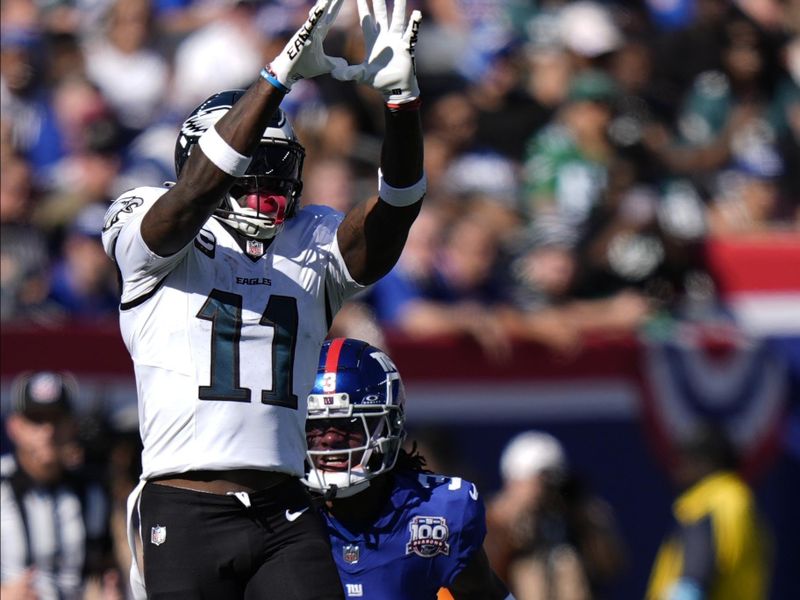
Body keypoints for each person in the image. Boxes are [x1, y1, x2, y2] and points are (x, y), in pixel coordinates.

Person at [99, 0, 426, 598]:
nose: (269, 186)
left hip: (284, 507)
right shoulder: (154, 224)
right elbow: (192, 194)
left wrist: (402, 110)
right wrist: (272, 83)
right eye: (255, 166)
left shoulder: (306, 242)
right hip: (186, 502)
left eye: (280, 169)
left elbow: (395, 215)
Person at [303, 337, 511, 600]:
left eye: (349, 423)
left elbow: (484, 593)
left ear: (388, 426)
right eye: (315, 426)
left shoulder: (435, 515)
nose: (330, 440)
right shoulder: (279, 513)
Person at [1, 371, 116, 600]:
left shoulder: (92, 492)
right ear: (14, 426)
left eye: (56, 419)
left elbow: (106, 569)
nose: (48, 432)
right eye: (36, 419)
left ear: (73, 425)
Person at [484, 431, 626, 600]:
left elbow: (611, 566)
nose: (547, 492)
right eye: (541, 481)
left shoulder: (575, 516)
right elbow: (480, 573)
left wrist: (588, 520)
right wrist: (509, 521)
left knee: (567, 563)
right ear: (514, 483)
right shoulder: (494, 519)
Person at [645, 423, 771, 600]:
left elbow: (693, 580)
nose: (676, 471)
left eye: (684, 462)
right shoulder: (741, 500)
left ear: (705, 462)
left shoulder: (707, 503)